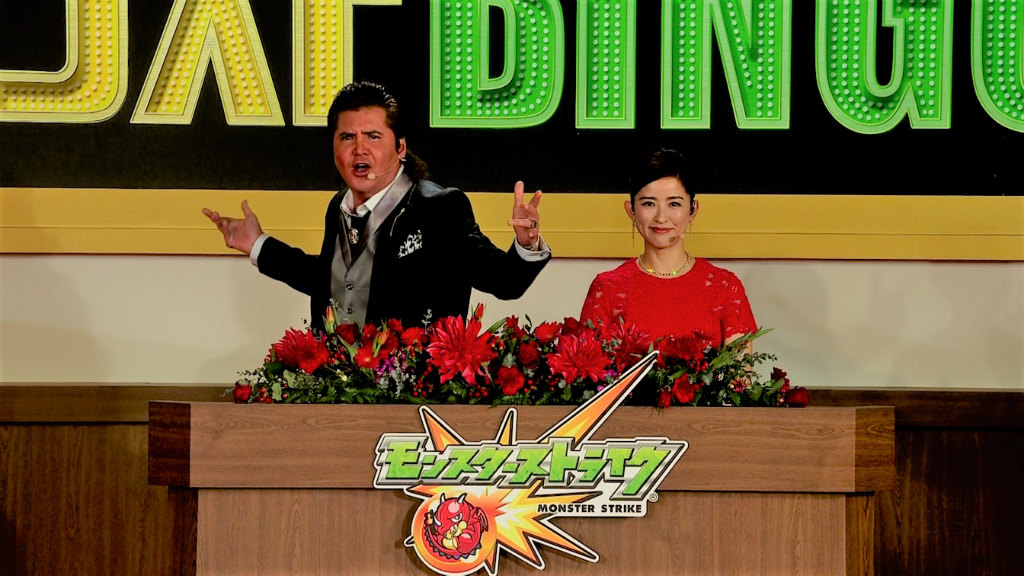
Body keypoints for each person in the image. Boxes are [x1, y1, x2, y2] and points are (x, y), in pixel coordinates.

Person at [203, 81, 550, 329]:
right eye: (347, 137)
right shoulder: (338, 208)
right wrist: (258, 245)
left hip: (416, 398)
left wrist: (527, 243)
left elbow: (504, 281)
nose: (359, 149)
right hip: (338, 395)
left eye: (373, 136)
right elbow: (333, 280)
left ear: (400, 147)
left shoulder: (440, 208)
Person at [580, 148, 756, 348]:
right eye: (649, 203)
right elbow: (588, 363)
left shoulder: (725, 287)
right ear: (631, 210)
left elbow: (740, 367)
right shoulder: (606, 288)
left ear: (693, 210)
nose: (661, 217)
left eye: (674, 204)